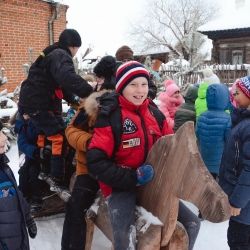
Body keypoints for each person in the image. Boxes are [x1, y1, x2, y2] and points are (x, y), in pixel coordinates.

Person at [86, 61, 200, 250]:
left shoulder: (156, 115)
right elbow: (95, 163)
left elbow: (170, 149)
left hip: (153, 184)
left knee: (192, 224)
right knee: (124, 236)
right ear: (121, 87)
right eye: (133, 85)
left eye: (144, 84)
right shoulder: (111, 116)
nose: (140, 90)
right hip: (120, 187)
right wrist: (133, 177)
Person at [18, 29, 93, 192]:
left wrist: (73, 100)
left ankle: (45, 170)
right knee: (60, 134)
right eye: (76, 49)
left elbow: (60, 84)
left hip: (32, 102)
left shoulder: (51, 54)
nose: (75, 54)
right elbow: (67, 77)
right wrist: (89, 92)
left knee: (45, 135)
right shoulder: (60, 54)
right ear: (72, 46)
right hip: (40, 103)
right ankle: (58, 178)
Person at [61, 56, 116, 250]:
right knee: (75, 207)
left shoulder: (125, 101)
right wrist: (91, 142)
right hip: (90, 169)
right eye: (97, 78)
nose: (97, 82)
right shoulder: (93, 101)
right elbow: (71, 130)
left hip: (117, 170)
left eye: (101, 78)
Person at [219, 76, 250, 250]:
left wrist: (238, 201)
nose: (234, 97)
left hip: (244, 205)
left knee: (238, 242)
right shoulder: (244, 122)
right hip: (244, 202)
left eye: (237, 93)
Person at [0, 120, 37, 249]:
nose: (5, 137)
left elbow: (14, 193)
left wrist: (27, 216)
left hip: (16, 241)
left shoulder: (3, 167)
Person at [13, 110, 47, 213]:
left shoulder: (41, 120)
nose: (26, 116)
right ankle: (23, 197)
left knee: (33, 171)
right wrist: (34, 151)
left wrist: (41, 151)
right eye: (24, 114)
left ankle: (37, 198)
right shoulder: (23, 123)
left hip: (44, 154)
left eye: (27, 114)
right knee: (23, 171)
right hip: (33, 154)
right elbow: (22, 142)